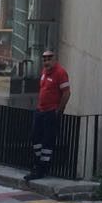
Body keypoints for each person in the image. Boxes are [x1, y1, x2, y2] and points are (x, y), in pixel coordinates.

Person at [26, 49, 70, 181]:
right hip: (40, 110)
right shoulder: (44, 72)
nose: (46, 62)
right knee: (35, 137)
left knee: (47, 141)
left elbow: (66, 93)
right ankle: (38, 162)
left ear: (54, 59)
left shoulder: (60, 73)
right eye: (44, 59)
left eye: (49, 59)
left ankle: (42, 168)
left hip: (51, 111)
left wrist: (59, 110)